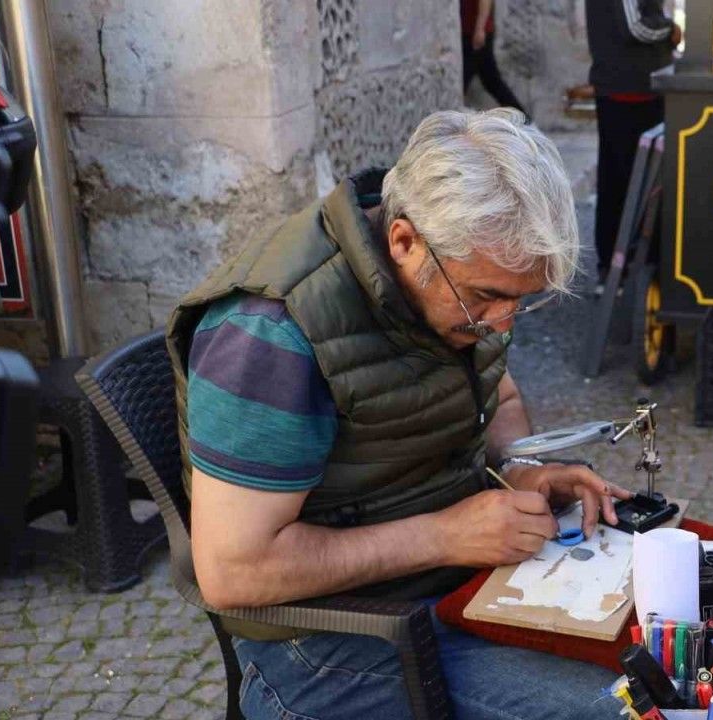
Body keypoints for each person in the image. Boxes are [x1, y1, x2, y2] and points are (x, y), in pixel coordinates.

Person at [167, 109, 631, 720]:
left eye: (521, 301)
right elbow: (235, 572)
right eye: (488, 296)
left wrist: (521, 469)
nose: (502, 325)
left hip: (448, 586)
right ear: (404, 242)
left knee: (667, 649)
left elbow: (503, 399)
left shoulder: (453, 278)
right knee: (621, 708)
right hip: (328, 644)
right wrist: (445, 536)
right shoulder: (271, 335)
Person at [585, 0, 679, 283]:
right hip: (628, 89)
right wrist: (670, 30)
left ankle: (622, 262)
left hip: (633, 86)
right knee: (625, 180)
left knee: (623, 179)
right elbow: (634, 27)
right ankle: (620, 264)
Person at [461, 0, 528, 116]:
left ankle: (523, 119)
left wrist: (480, 29)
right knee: (490, 80)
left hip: (476, 36)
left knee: (484, 80)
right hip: (468, 33)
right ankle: (523, 118)